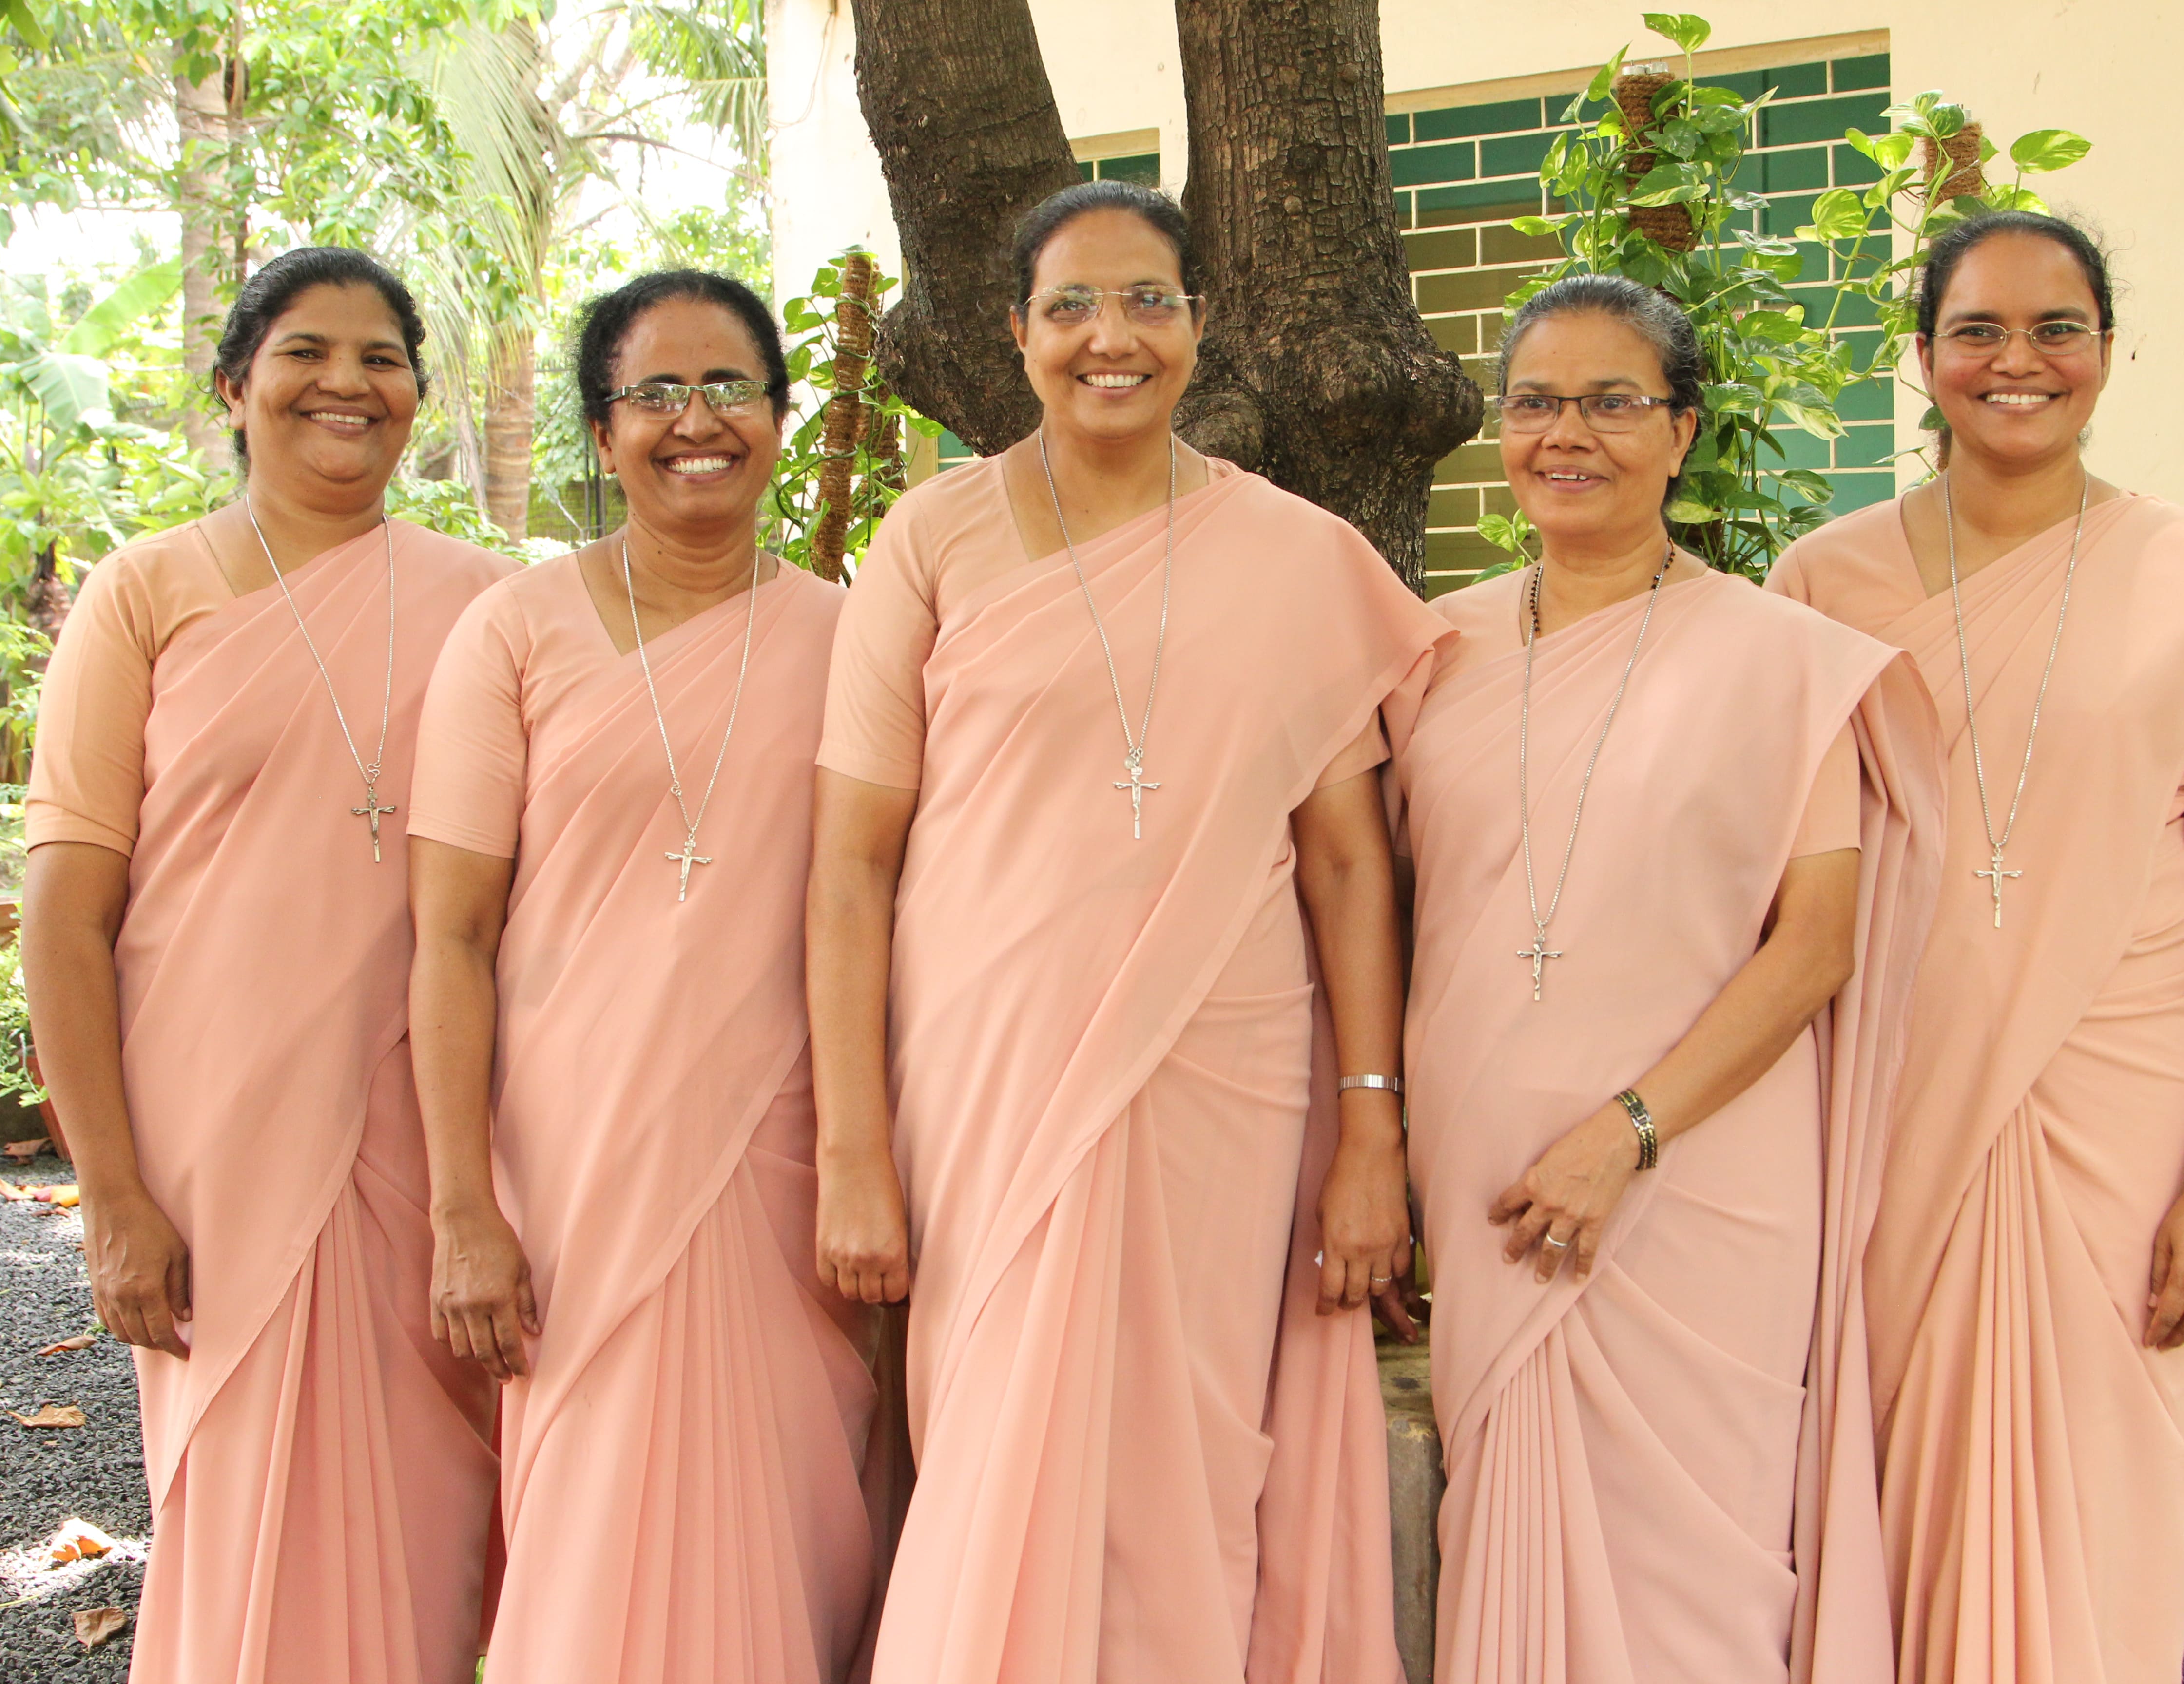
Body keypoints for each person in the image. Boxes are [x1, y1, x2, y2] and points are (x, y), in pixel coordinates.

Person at [806, 178, 1450, 1684]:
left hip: (1222, 1083)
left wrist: (1374, 1134)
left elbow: (1350, 867)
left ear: (1200, 326)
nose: (1114, 336)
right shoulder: (934, 537)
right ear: (1017, 334)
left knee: (1191, 1458)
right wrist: (853, 1149)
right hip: (986, 1077)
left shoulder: (1295, 553)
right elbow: (851, 865)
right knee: (999, 1439)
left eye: (1149, 300)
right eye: (1074, 306)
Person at [1767, 210, 2184, 1684]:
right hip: (1890, 1102)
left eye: (2056, 329)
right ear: (1923, 358)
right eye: (1978, 332)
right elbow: (1779, 896)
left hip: (2120, 1111)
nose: (2018, 362)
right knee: (1890, 1481)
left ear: (2105, 351)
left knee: (2105, 1498)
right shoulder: (1818, 585)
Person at [1390, 274, 1938, 1684]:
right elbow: (1385, 912)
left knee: (1704, 1568)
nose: (1567, 436)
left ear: (1683, 431)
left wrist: (1629, 1130)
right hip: (1491, 1178)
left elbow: (1814, 944)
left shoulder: (1785, 660)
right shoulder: (1426, 654)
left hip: (1700, 1180)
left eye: (1614, 403)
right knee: (1512, 1532)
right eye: (1534, 404)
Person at [21, 247, 510, 1684]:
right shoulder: (147, 593)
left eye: (382, 357)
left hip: (424, 1136)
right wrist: (109, 1194)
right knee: (237, 1507)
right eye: (306, 352)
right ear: (235, 388)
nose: (347, 384)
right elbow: (62, 913)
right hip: (209, 1149)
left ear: (418, 398)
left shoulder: (491, 608)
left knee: (430, 1529)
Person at [406, 271, 885, 1684]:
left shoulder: (856, 639)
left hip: (781, 1157)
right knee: (590, 1517)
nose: (697, 420)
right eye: (655, 393)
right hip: (572, 1167)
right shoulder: (514, 633)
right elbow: (451, 937)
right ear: (602, 432)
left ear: (782, 419)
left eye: (731, 386)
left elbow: (889, 903)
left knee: (786, 1511)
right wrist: (460, 1208)